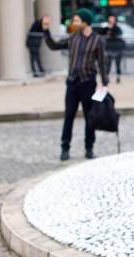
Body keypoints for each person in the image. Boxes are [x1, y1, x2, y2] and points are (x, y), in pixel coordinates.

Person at [41, 9, 109, 161]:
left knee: (89, 117)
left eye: (77, 20)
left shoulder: (97, 40)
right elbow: (54, 46)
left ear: (85, 22)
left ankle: (89, 148)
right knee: (68, 116)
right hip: (72, 83)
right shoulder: (73, 38)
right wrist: (46, 30)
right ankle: (65, 148)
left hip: (88, 83)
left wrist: (105, 83)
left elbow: (103, 63)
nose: (74, 23)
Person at [105, 15, 125, 84]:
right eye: (110, 19)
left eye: (113, 19)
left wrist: (111, 30)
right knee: (108, 64)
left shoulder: (117, 28)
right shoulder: (106, 28)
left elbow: (117, 35)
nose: (111, 21)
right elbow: (102, 34)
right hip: (109, 48)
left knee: (117, 64)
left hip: (117, 48)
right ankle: (107, 77)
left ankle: (118, 77)